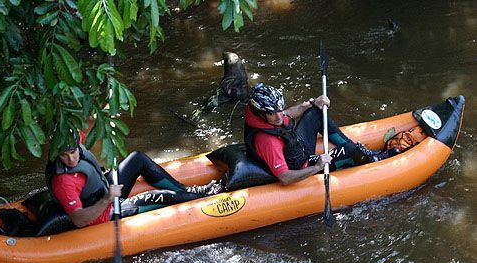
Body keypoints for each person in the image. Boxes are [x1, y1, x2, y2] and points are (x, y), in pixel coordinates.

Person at [45, 132, 224, 228]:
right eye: (64, 155)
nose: (71, 159)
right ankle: (208, 198)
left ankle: (186, 190)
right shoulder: (63, 181)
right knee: (159, 196)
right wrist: (107, 198)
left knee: (137, 158)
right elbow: (78, 220)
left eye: (73, 151)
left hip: (103, 188)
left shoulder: (72, 137)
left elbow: (92, 121)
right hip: (102, 213)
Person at [244, 83, 394, 185]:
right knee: (349, 150)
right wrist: (316, 167)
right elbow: (284, 177)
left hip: (296, 146)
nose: (278, 117)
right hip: (301, 165)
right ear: (261, 113)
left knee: (315, 112)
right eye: (272, 114)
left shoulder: (265, 113)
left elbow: (286, 114)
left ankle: (353, 148)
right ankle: (370, 158)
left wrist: (312, 102)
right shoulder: (267, 141)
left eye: (278, 111)